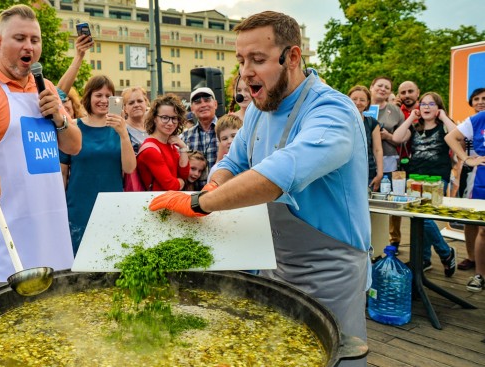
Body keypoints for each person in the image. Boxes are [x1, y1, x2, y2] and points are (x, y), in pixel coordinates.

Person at [149, 11, 370, 366]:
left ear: (293, 57)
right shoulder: (257, 110)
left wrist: (201, 202)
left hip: (331, 272)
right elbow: (233, 162)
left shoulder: (333, 111)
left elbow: (278, 174)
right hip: (271, 263)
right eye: (241, 60)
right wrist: (217, 180)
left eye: (258, 60)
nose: (245, 72)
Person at [0, 4, 82, 283]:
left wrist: (59, 118)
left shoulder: (44, 86)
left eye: (35, 40)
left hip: (54, 223)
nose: (29, 46)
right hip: (11, 228)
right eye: (20, 38)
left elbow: (74, 146)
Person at [60, 75, 135, 255]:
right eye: (98, 95)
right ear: (88, 97)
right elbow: (62, 172)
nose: (103, 100)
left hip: (112, 206)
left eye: (107, 95)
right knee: (80, 260)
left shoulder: (120, 129)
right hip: (79, 206)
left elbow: (129, 168)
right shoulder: (74, 127)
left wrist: (124, 134)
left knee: (111, 258)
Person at [392, 92, 457, 276]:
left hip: (437, 179)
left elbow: (457, 137)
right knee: (417, 217)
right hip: (414, 178)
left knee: (425, 217)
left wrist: (444, 116)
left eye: (431, 104)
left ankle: (445, 253)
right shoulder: (414, 128)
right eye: (423, 104)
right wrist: (411, 118)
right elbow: (397, 138)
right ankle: (425, 258)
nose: (426, 107)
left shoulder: (444, 128)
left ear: (438, 108)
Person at [445, 110, 485, 292]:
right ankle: (480, 275)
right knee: (483, 229)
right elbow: (451, 137)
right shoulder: (481, 117)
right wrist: (468, 159)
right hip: (481, 181)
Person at [370, 76, 406, 254]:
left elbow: (406, 137)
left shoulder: (395, 111)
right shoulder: (361, 106)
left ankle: (395, 240)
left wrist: (388, 137)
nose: (383, 89)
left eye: (387, 87)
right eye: (380, 86)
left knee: (391, 201)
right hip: (366, 161)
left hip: (389, 160)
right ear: (372, 87)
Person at [456, 88, 485, 271]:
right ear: (471, 103)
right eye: (476, 99)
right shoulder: (469, 123)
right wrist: (467, 160)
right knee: (469, 217)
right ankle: (471, 256)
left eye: (484, 98)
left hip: (481, 170)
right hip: (471, 172)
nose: (480, 101)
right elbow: (457, 145)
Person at [136, 93, 190, 191]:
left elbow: (184, 174)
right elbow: (171, 186)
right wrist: (181, 182)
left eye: (174, 118)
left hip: (167, 201)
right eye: (165, 117)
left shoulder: (171, 144)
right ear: (155, 118)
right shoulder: (151, 150)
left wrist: (183, 147)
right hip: (154, 203)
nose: (170, 123)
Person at [348, 85, 383, 191]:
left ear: (367, 102)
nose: (358, 102)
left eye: (362, 100)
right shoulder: (341, 121)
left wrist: (380, 173)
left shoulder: (372, 122)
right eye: (354, 99)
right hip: (347, 174)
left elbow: (377, 149)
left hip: (368, 174)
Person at [181, 87, 218, 185]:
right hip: (194, 196)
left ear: (215, 104)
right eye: (197, 102)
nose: (203, 104)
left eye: (207, 100)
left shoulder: (229, 132)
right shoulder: (184, 137)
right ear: (192, 109)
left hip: (223, 193)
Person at [122, 86, 150, 154]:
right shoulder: (122, 129)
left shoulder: (156, 128)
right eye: (131, 103)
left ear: (146, 103)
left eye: (140, 101)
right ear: (125, 108)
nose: (136, 105)